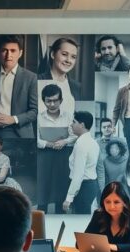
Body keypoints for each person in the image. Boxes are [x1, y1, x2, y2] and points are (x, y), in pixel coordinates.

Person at [0, 35, 38, 139]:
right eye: (4, 50)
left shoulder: (31, 77)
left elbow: (34, 111)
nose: (8, 55)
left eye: (13, 50)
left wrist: (13, 119)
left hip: (19, 132)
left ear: (20, 53)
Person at [36, 83, 76, 213]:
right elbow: (35, 139)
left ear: (61, 100)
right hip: (43, 156)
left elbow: (74, 135)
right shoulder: (38, 118)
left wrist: (64, 141)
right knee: (43, 190)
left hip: (63, 156)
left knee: (61, 188)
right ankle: (41, 219)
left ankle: (60, 214)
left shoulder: (69, 116)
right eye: (48, 101)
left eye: (55, 101)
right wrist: (49, 144)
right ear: (44, 101)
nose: (52, 104)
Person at [84, 181, 130, 252]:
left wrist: (112, 247)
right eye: (107, 202)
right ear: (103, 203)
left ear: (124, 203)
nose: (111, 206)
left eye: (116, 202)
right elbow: (81, 243)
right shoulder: (98, 215)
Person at [63, 111, 100, 214]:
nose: (71, 124)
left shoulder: (81, 144)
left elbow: (78, 174)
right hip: (90, 185)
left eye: (74, 122)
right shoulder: (92, 141)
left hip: (83, 187)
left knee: (80, 221)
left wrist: (69, 198)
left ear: (82, 125)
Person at [38, 37, 81, 112]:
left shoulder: (77, 87)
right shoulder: (37, 81)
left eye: (73, 57)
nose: (68, 60)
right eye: (64, 54)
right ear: (52, 54)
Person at [96, 118, 128, 192]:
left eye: (109, 126)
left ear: (113, 128)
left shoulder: (121, 142)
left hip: (118, 176)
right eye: (104, 127)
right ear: (101, 129)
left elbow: (126, 158)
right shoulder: (96, 143)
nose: (107, 129)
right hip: (102, 177)